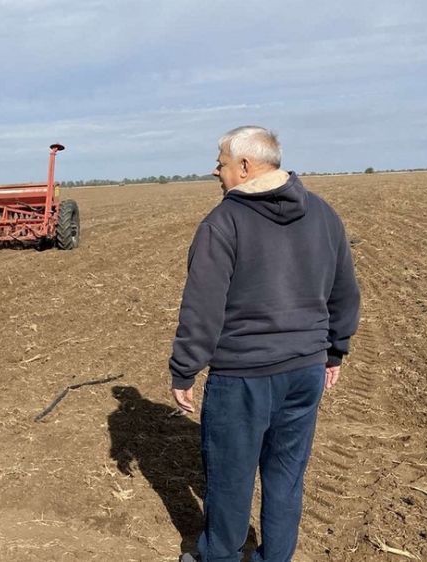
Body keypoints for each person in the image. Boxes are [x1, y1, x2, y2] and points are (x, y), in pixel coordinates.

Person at [169, 127, 360, 562]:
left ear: (245, 166)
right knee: (286, 473)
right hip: (306, 371)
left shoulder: (224, 222)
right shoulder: (324, 213)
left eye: (219, 162)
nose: (215, 171)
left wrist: (184, 369)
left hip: (243, 376)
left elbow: (202, 307)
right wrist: (334, 351)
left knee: (230, 477)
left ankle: (219, 556)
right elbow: (345, 291)